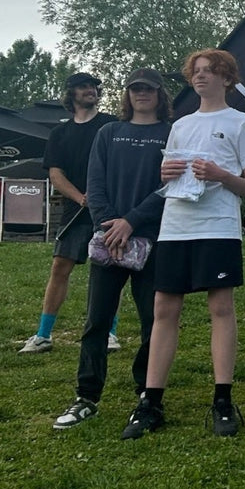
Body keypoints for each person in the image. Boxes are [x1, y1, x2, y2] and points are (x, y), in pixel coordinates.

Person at [122, 50, 245, 439]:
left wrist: (220, 174)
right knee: (164, 308)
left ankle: (222, 399)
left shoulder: (242, 122)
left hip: (218, 226)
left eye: (210, 71)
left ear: (227, 79)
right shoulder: (180, 125)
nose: (200, 78)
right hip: (176, 227)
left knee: (220, 307)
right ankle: (150, 401)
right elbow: (170, 179)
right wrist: (165, 173)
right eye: (196, 72)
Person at [52, 69, 171, 431]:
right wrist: (109, 225)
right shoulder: (108, 133)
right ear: (127, 94)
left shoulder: (172, 133)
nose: (141, 95)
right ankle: (86, 396)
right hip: (109, 241)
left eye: (148, 89)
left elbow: (172, 187)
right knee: (96, 320)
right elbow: (95, 182)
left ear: (159, 94)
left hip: (153, 238)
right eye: (135, 89)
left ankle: (147, 393)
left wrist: (131, 222)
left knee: (154, 322)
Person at [21, 73, 118, 354]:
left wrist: (102, 197)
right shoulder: (60, 134)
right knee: (59, 268)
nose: (91, 91)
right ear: (71, 94)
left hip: (109, 210)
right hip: (75, 211)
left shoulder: (111, 124)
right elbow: (55, 174)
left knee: (110, 270)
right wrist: (80, 197)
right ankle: (43, 335)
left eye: (94, 87)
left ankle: (109, 333)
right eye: (84, 87)